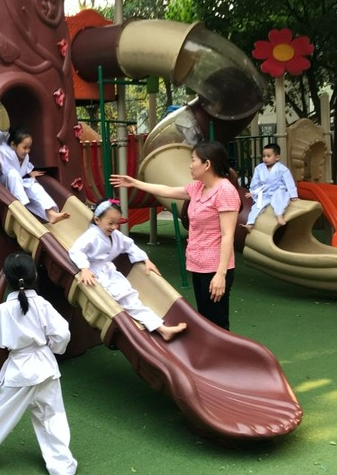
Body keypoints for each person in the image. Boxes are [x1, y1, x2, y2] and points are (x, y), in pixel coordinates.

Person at [0, 253, 77, 475]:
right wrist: (52, 347)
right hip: (45, 366)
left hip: (19, 368)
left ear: (7, 278)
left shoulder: (2, 310)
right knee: (51, 415)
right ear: (35, 275)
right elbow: (62, 333)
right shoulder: (42, 305)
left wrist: (11, 343)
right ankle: (62, 465)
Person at [111, 141, 240, 330]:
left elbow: (227, 235)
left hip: (215, 267)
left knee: (217, 323)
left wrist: (221, 274)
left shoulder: (225, 191)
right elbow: (167, 190)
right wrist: (135, 183)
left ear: (207, 164)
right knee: (205, 320)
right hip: (199, 264)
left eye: (193, 160)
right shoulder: (198, 187)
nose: (190, 165)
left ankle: (224, 350)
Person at [68, 199, 187, 341]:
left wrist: (145, 259)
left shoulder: (115, 235)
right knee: (127, 299)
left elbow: (129, 245)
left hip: (109, 272)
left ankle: (161, 329)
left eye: (117, 223)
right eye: (110, 223)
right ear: (97, 220)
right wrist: (84, 268)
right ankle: (161, 329)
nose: (114, 227)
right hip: (96, 275)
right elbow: (76, 250)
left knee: (130, 297)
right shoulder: (91, 236)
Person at [0, 127, 70, 224]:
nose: (27, 151)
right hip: (3, 188)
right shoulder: (2, 153)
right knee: (13, 174)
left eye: (29, 148)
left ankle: (51, 214)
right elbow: (7, 172)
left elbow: (22, 168)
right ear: (13, 145)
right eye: (24, 148)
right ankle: (22, 210)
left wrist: (28, 173)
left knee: (35, 187)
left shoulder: (25, 157)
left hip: (17, 184)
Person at [242, 143, 298, 229]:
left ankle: (279, 216)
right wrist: (253, 192)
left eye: (268, 156)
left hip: (278, 190)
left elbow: (289, 182)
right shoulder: (259, 168)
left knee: (280, 199)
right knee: (257, 206)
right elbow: (255, 182)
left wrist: (293, 195)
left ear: (277, 157)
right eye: (264, 156)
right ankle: (250, 224)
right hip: (264, 192)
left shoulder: (282, 169)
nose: (265, 158)